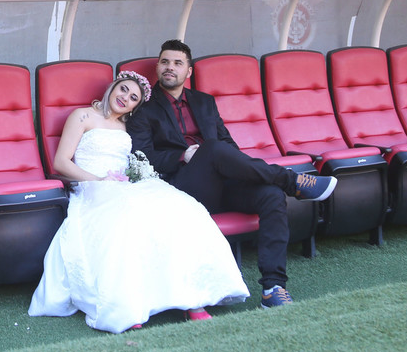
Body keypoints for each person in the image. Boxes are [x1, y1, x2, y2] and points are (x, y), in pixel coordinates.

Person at [28, 71, 249, 333]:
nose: (125, 98)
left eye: (134, 98)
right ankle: (130, 304)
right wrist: (98, 180)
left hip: (127, 184)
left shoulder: (126, 127)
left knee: (182, 207)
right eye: (123, 90)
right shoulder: (83, 116)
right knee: (128, 216)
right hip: (92, 186)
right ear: (113, 87)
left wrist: (135, 176)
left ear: (135, 106)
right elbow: (61, 162)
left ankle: (194, 298)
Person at [125, 39, 337, 309]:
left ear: (188, 71)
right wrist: (183, 154)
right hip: (182, 187)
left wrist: (242, 172)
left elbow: (229, 146)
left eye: (178, 63)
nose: (170, 68)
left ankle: (273, 287)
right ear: (157, 67)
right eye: (165, 62)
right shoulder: (143, 108)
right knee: (211, 148)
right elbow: (141, 156)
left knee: (271, 196)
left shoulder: (204, 102)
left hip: (222, 182)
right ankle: (292, 180)